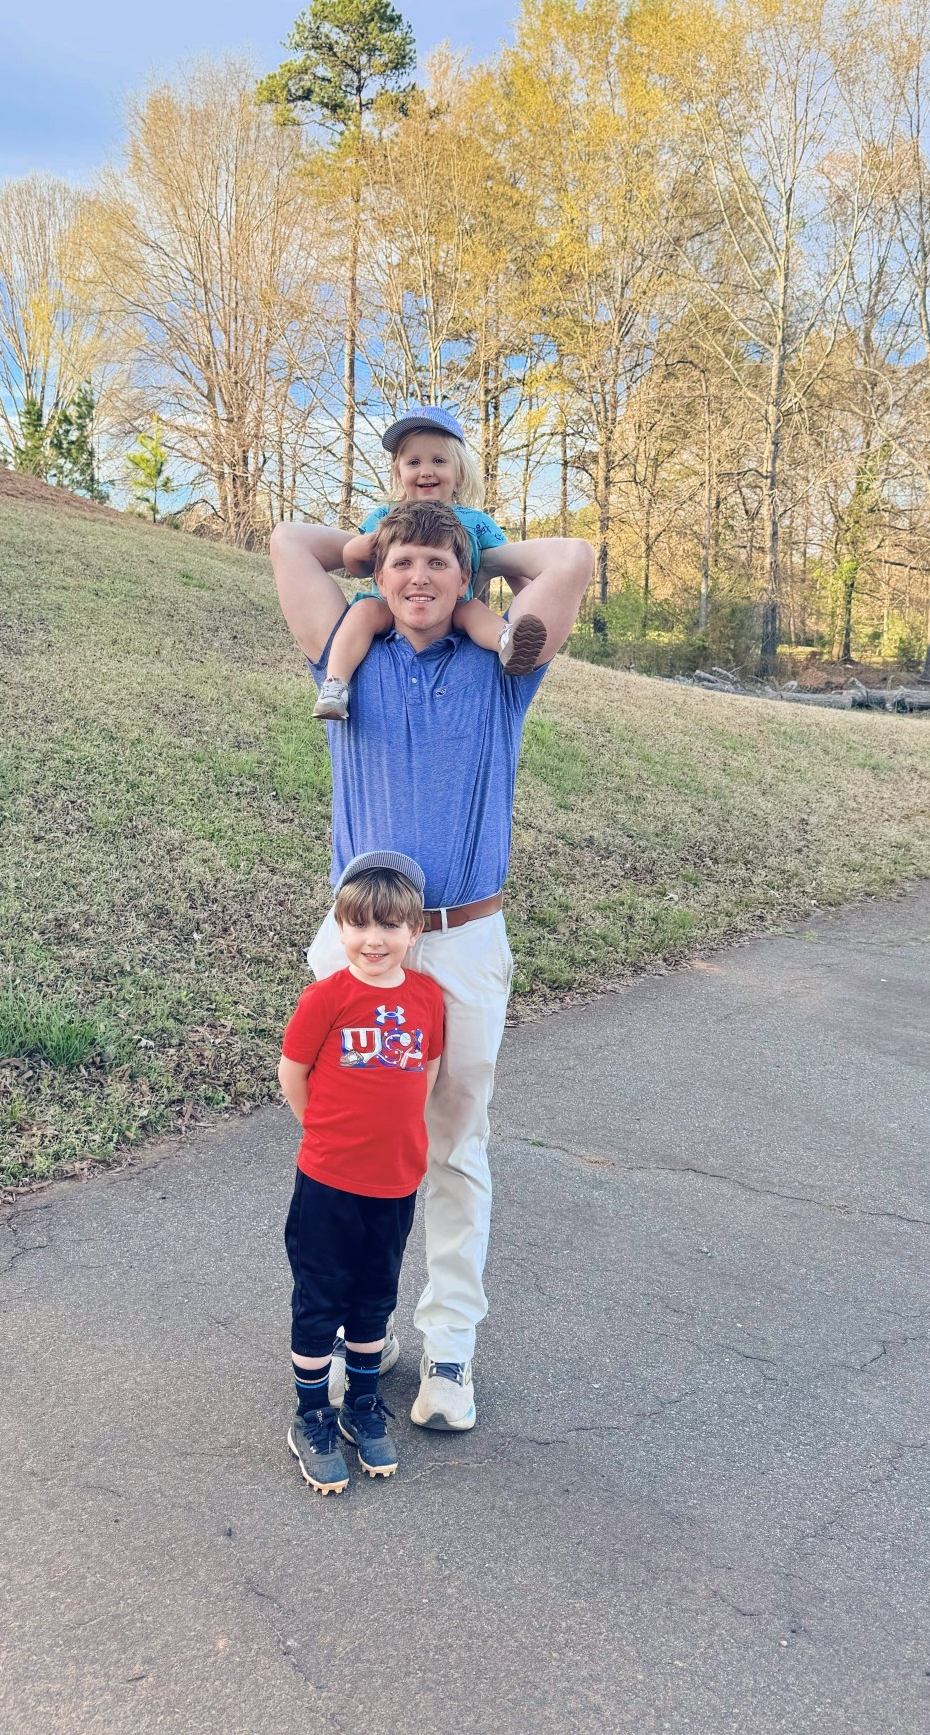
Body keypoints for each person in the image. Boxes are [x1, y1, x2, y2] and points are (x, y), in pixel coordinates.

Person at [269, 492, 594, 1432]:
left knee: (453, 1145)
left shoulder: (505, 663)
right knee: (343, 1145)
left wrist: (479, 551)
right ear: (377, 575)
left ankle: (448, 1346)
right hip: (360, 940)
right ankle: (350, 1337)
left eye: (438, 566)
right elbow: (291, 541)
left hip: (463, 940)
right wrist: (382, 543)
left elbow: (570, 557)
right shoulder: (347, 651)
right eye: (401, 565)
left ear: (467, 581)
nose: (417, 578)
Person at [279, 851, 444, 1495]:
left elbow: (424, 1073)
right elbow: (293, 1073)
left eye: (388, 926)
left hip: (395, 1182)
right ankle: (311, 1417)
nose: (373, 939)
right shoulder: (327, 998)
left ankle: (362, 1405)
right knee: (321, 1297)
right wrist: (321, 1132)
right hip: (328, 1180)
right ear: (339, 928)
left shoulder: (428, 998)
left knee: (377, 1295)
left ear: (414, 931)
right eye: (358, 925)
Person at [313, 406, 543, 722]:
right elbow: (353, 563)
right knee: (362, 612)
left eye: (438, 460)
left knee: (474, 610)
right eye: (414, 462)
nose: (426, 470)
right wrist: (371, 543)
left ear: (459, 471)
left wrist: (529, 605)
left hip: (452, 610)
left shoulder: (476, 522)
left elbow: (514, 568)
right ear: (398, 472)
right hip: (389, 607)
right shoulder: (385, 517)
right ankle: (335, 686)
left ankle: (508, 641)